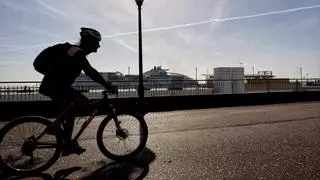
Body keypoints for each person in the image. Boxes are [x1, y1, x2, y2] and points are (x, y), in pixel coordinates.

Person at [36, 27, 118, 156]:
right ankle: (57, 130)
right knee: (82, 101)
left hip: (54, 86)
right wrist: (107, 85)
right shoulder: (77, 52)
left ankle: (67, 142)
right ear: (89, 42)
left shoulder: (73, 51)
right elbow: (91, 72)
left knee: (71, 110)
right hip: (56, 86)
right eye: (97, 42)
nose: (98, 46)